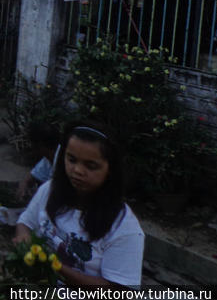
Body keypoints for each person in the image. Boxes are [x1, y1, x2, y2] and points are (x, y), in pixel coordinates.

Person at [14, 122, 145, 289]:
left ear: (110, 170)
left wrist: (57, 268)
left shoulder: (124, 228)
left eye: (91, 166)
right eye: (71, 159)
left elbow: (119, 293)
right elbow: (25, 223)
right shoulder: (49, 190)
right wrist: (24, 240)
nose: (77, 170)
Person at [16, 121, 62, 202]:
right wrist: (24, 186)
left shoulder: (64, 161)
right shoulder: (48, 158)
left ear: (39, 145)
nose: (29, 147)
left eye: (30, 143)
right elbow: (31, 177)